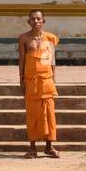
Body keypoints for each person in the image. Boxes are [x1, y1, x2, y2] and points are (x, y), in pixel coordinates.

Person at [17, 9, 60, 158]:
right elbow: (21, 61)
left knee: (49, 114)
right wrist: (21, 80)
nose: (36, 21)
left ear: (43, 21)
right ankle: (33, 148)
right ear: (29, 22)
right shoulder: (24, 39)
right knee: (32, 115)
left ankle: (49, 146)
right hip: (31, 80)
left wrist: (54, 79)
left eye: (38, 19)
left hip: (47, 80)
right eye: (33, 19)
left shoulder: (50, 38)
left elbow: (52, 60)